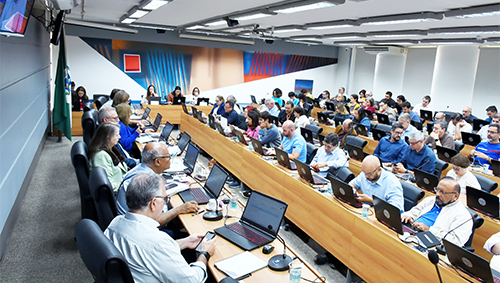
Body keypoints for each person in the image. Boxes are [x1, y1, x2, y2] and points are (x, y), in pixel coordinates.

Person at [105, 173, 216, 283]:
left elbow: (147, 251)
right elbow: (193, 281)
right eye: (164, 199)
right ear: (153, 203)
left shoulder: (116, 222)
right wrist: (204, 254)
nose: (164, 203)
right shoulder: (156, 242)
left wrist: (185, 242)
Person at [115, 142, 199, 222]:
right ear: (157, 162)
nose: (170, 159)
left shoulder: (139, 169)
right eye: (168, 157)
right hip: (139, 230)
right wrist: (179, 209)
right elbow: (153, 221)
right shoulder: (146, 182)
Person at [401, 177, 472, 246]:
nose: (437, 194)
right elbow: (414, 211)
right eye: (437, 190)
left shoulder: (463, 216)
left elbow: (457, 242)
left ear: (455, 196)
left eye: (443, 192)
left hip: (429, 243)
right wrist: (409, 216)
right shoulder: (430, 200)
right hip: (411, 232)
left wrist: (429, 230)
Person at [88, 122, 128, 192]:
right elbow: (109, 185)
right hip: (120, 193)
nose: (119, 137)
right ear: (108, 138)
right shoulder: (101, 156)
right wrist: (129, 186)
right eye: (117, 135)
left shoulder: (110, 149)